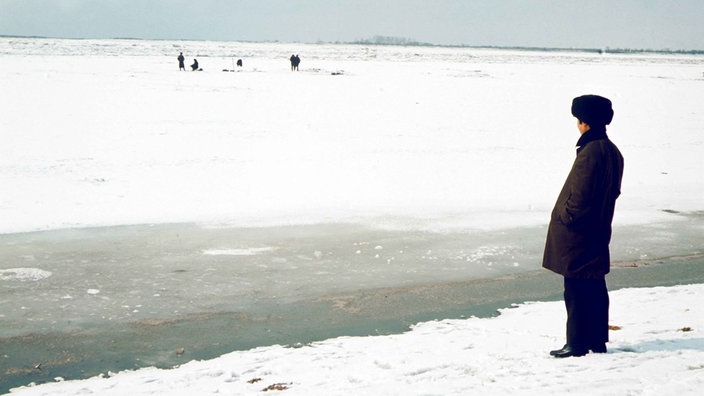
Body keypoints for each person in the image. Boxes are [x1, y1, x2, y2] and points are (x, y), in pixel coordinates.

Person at [543, 95, 624, 358]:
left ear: (584, 122)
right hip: (598, 232)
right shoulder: (612, 151)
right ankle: (596, 340)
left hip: (579, 235)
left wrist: (565, 218)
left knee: (576, 290)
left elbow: (579, 198)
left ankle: (576, 343)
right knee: (594, 287)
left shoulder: (591, 152)